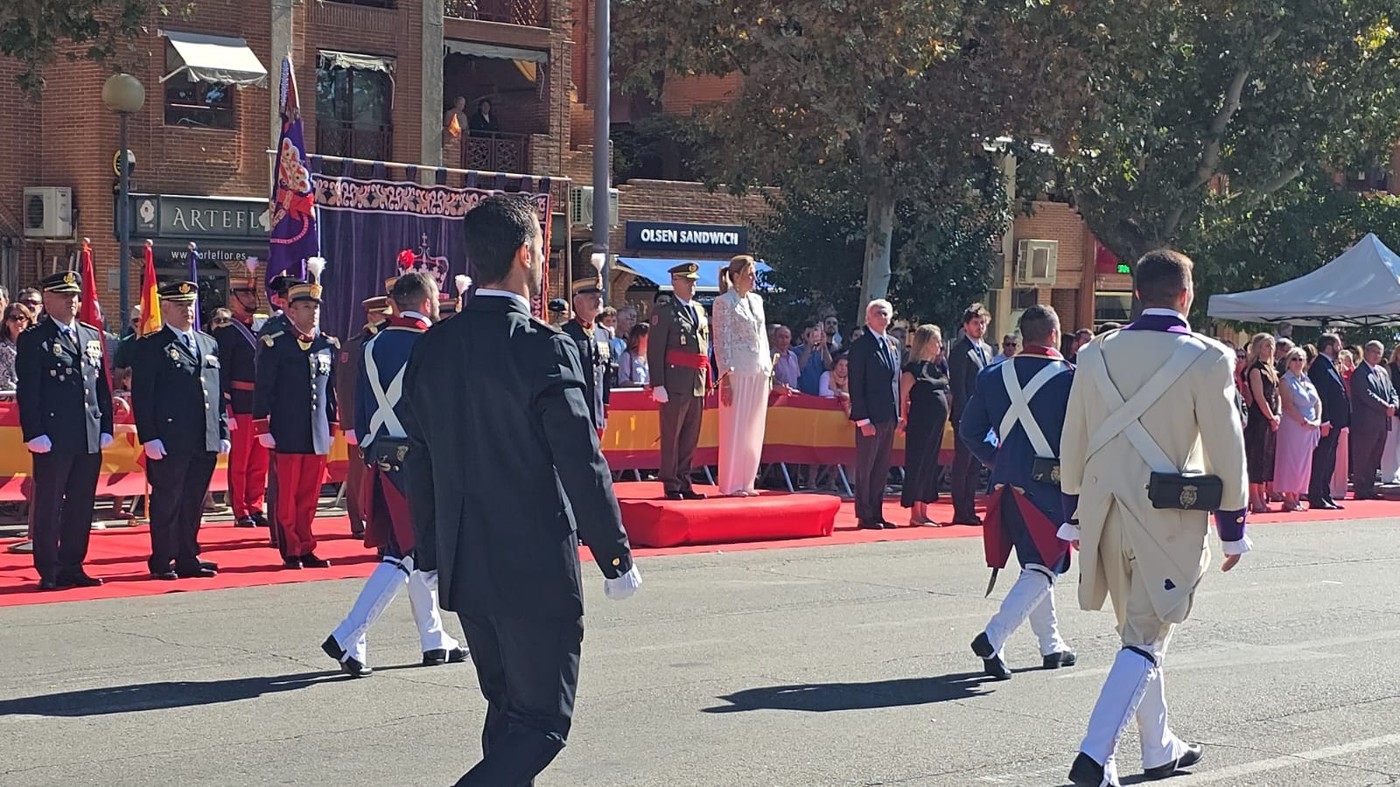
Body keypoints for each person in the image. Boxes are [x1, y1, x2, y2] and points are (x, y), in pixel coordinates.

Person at [402, 195, 640, 786]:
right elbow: (581, 461)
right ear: (525, 254)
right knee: (541, 724)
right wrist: (614, 554)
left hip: (467, 565)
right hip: (532, 567)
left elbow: (420, 462)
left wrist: (430, 554)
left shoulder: (434, 345)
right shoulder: (543, 347)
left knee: (507, 714)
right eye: (538, 254)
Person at [1059, 250, 1249, 786]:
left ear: (1137, 293)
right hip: (1168, 516)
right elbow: (1226, 449)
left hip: (1103, 512)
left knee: (1138, 632)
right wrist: (1233, 526)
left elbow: (1073, 436)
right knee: (1145, 635)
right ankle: (1095, 755)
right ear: (1185, 295)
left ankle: (1158, 746)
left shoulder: (1095, 355)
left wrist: (1072, 511)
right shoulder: (1208, 358)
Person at [324, 273, 466, 678]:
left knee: (409, 550)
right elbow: (446, 411)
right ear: (425, 302)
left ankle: (433, 638)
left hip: (382, 460)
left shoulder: (369, 346)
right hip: (423, 463)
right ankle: (349, 633)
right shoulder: (434, 344)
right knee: (405, 555)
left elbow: (360, 405)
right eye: (436, 298)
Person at [959, 305, 1077, 678]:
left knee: (1036, 564)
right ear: (1055, 335)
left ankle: (1051, 644)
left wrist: (1000, 461)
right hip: (1050, 486)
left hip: (1004, 486)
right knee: (1047, 564)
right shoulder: (1070, 379)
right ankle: (993, 637)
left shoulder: (993, 375)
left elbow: (969, 431)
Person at [16, 271, 114, 590]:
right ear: (47, 300)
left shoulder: (89, 335)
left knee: (81, 503)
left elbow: (100, 386)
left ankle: (73, 564)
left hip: (87, 433)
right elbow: (29, 390)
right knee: (49, 503)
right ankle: (50, 568)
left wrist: (105, 425)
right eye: (65, 296)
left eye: (75, 296)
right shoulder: (35, 338)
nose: (73, 302)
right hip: (54, 434)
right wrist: (34, 432)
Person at [131, 281, 229, 580]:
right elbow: (143, 394)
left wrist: (222, 429)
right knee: (167, 501)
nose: (188, 311)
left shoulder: (207, 342)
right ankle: (161, 559)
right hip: (170, 437)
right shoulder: (151, 345)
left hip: (203, 436)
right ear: (167, 308)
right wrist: (149, 436)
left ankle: (188, 556)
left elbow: (216, 390)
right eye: (181, 305)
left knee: (193, 501)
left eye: (191, 305)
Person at [253, 275, 339, 569]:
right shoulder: (276, 344)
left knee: (309, 495)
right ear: (291, 311)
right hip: (287, 430)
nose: (312, 312)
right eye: (305, 306)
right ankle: (290, 548)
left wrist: (332, 425)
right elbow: (263, 388)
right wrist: (262, 427)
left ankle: (306, 545)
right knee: (287, 495)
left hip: (316, 431)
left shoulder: (326, 345)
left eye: (315, 307)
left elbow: (330, 392)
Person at [646, 262, 710, 500]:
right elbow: (655, 348)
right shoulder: (665, 310)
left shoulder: (700, 310)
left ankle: (685, 479)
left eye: (694, 281)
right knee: (672, 434)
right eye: (687, 280)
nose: (693, 285)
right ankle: (671, 482)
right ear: (674, 282)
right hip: (674, 381)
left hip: (696, 381)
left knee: (690, 436)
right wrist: (658, 383)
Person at [213, 275, 272, 529]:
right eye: (244, 295)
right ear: (234, 299)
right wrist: (228, 409)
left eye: (251, 294)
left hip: (260, 404)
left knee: (260, 461)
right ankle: (240, 510)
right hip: (239, 402)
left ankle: (256, 505)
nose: (250, 299)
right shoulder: (227, 332)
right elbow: (222, 372)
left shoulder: (262, 328)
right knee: (240, 461)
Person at [712, 255, 773, 497]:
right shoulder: (723, 302)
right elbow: (721, 340)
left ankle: (748, 480)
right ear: (736, 276)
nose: (753, 278)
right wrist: (724, 375)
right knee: (734, 426)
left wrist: (768, 368)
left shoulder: (757, 301)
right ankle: (730, 482)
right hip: (736, 369)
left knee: (754, 426)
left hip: (758, 368)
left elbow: (763, 336)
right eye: (749, 274)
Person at [338, 293, 393, 539]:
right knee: (358, 473)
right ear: (371, 315)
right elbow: (347, 387)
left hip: (386, 419)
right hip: (363, 421)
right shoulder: (355, 344)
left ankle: (375, 519)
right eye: (383, 315)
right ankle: (356, 521)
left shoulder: (389, 340)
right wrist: (349, 424)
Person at [848, 299, 901, 530]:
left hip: (888, 415)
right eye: (879, 313)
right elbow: (856, 385)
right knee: (866, 467)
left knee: (881, 467)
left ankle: (877, 512)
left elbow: (894, 382)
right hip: (870, 416)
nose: (884, 318)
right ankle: (865, 514)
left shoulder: (893, 344)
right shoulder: (861, 346)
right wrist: (862, 419)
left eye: (886, 314)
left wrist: (898, 414)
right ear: (868, 317)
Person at [899, 325, 950, 527]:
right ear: (925, 343)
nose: (939, 345)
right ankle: (915, 513)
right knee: (918, 463)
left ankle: (924, 510)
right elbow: (902, 397)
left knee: (930, 464)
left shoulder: (935, 368)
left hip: (935, 424)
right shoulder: (912, 369)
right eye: (936, 341)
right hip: (920, 423)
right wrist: (903, 419)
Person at [949, 303, 994, 526]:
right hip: (966, 417)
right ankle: (960, 510)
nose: (980, 327)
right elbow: (959, 388)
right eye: (976, 323)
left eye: (983, 322)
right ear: (966, 326)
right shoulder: (960, 351)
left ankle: (970, 508)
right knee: (963, 463)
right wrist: (965, 418)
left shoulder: (987, 350)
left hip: (983, 419)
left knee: (976, 465)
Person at [1273, 346, 1321, 512]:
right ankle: (1288, 497)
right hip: (1293, 425)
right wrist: (1304, 421)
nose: (1298, 362)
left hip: (1309, 427)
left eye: (1301, 359)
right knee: (1291, 461)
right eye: (1294, 359)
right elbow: (1287, 405)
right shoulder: (1286, 380)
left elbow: (1317, 401)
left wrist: (1317, 420)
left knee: (1304, 463)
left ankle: (1297, 495)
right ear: (1288, 362)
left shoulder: (1306, 379)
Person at [1348, 340, 1398, 500]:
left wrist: (1394, 404)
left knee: (1374, 457)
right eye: (1373, 351)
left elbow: (1392, 391)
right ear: (1366, 351)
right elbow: (1366, 394)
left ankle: (1369, 488)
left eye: (1379, 352)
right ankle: (1361, 488)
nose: (1377, 355)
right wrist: (1386, 407)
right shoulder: (1359, 373)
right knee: (1363, 457)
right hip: (1365, 424)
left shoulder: (1382, 372)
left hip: (1382, 423)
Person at [562, 278, 611, 434]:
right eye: (592, 298)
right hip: (574, 412)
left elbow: (606, 373)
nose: (598, 301)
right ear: (578, 301)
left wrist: (605, 406)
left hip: (597, 412)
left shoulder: (603, 333)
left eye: (599, 297)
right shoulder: (565, 333)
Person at [1308, 333, 1349, 510]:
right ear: (1329, 346)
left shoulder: (1330, 364)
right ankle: (1316, 496)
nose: (1341, 348)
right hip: (1327, 422)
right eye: (1338, 344)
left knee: (1329, 460)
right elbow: (1321, 395)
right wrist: (1324, 420)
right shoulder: (1320, 366)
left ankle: (1325, 493)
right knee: (1321, 459)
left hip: (1336, 422)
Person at [1244, 333, 1280, 512]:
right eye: (1267, 345)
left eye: (1272, 345)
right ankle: (1254, 497)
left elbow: (1276, 395)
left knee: (1267, 458)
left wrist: (1277, 414)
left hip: (1271, 418)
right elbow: (1259, 397)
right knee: (1256, 458)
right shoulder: (1256, 370)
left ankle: (1262, 495)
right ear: (1258, 347)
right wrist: (1270, 417)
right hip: (1258, 419)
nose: (1271, 349)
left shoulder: (1272, 369)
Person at [0, 302, 33, 390]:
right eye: (13, 318)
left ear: (28, 320)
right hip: (9, 397)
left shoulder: (36, 346)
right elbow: (4, 381)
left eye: (21, 318)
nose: (18, 322)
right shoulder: (2, 349)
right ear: (6, 322)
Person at [795, 320, 832, 395]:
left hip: (819, 395)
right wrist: (809, 345)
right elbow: (799, 368)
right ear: (802, 335)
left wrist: (824, 346)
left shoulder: (822, 352)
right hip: (801, 395)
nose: (812, 336)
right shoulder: (795, 351)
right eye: (809, 334)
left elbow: (830, 367)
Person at [1383, 345, 1400, 483]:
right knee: (1390, 443)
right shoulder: (1390, 368)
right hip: (1393, 410)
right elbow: (1388, 388)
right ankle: (1388, 475)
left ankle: (1397, 473)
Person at [770, 324, 800, 389]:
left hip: (792, 395)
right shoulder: (770, 357)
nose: (784, 340)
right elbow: (770, 380)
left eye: (787, 337)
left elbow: (796, 380)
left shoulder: (793, 356)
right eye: (781, 337)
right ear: (774, 338)